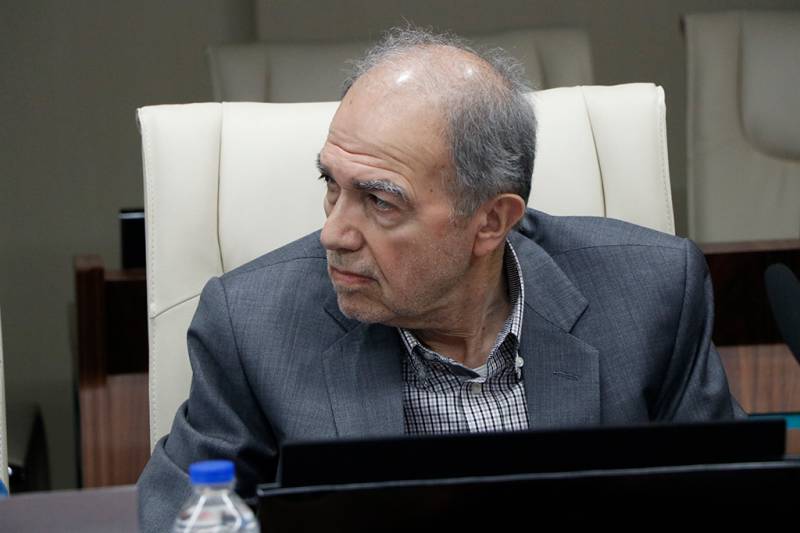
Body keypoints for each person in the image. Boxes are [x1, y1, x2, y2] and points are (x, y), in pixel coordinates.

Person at [137, 27, 743, 531]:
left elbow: (732, 501)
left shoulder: (652, 292)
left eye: (380, 201)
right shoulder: (251, 326)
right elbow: (182, 514)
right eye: (331, 185)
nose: (334, 233)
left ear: (491, 222)